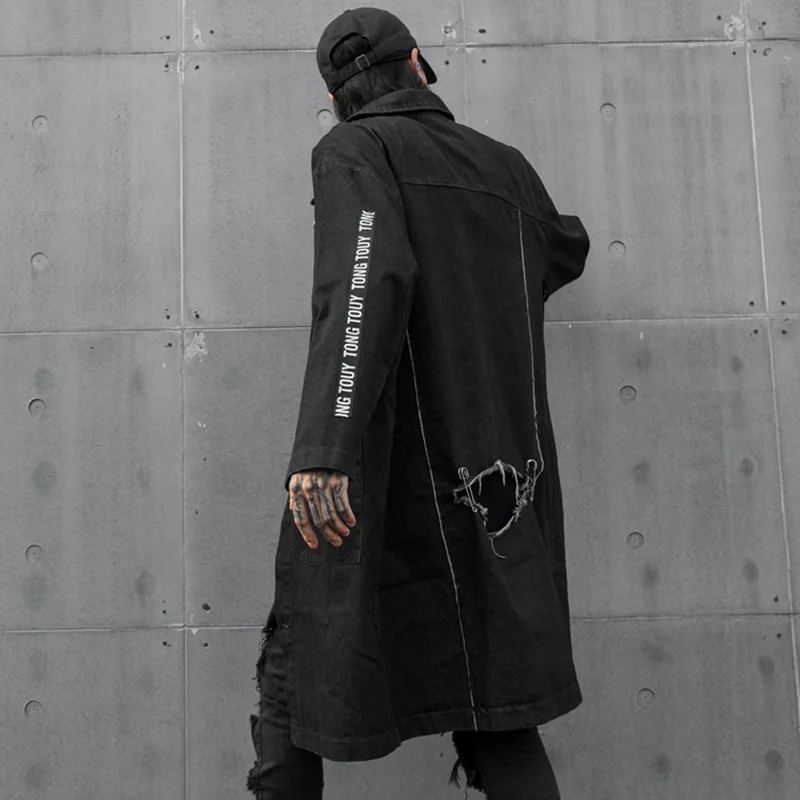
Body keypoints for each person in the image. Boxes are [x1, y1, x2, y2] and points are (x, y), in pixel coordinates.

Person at [246, 7, 590, 799]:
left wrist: (323, 450)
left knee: (294, 667)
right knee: (497, 703)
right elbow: (563, 246)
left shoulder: (354, 150)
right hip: (496, 485)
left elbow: (361, 287)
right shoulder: (507, 169)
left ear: (335, 97)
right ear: (417, 64)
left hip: (384, 475)